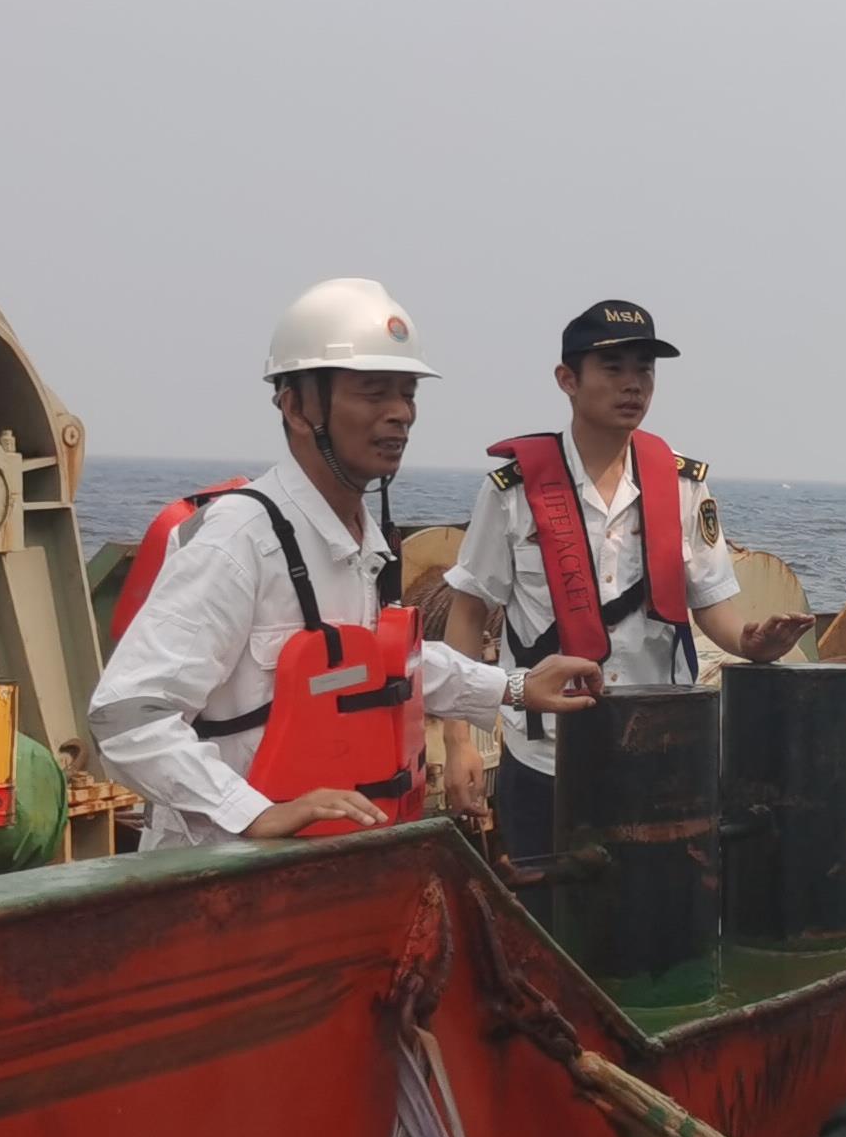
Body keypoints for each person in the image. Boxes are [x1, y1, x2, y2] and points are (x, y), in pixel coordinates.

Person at [89, 279, 600, 848]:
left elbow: (382, 667)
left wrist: (515, 685)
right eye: (373, 393)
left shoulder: (360, 541)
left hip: (323, 861)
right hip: (224, 870)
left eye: (408, 394)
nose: (400, 414)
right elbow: (128, 715)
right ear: (296, 406)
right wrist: (253, 812)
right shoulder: (239, 540)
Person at [441, 298, 810, 868]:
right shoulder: (512, 492)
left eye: (645, 369)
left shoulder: (683, 486)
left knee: (661, 913)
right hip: (546, 761)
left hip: (660, 756)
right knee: (549, 913)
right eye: (613, 368)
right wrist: (458, 742)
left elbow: (712, 604)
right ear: (567, 379)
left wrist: (752, 643)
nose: (633, 384)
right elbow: (468, 613)